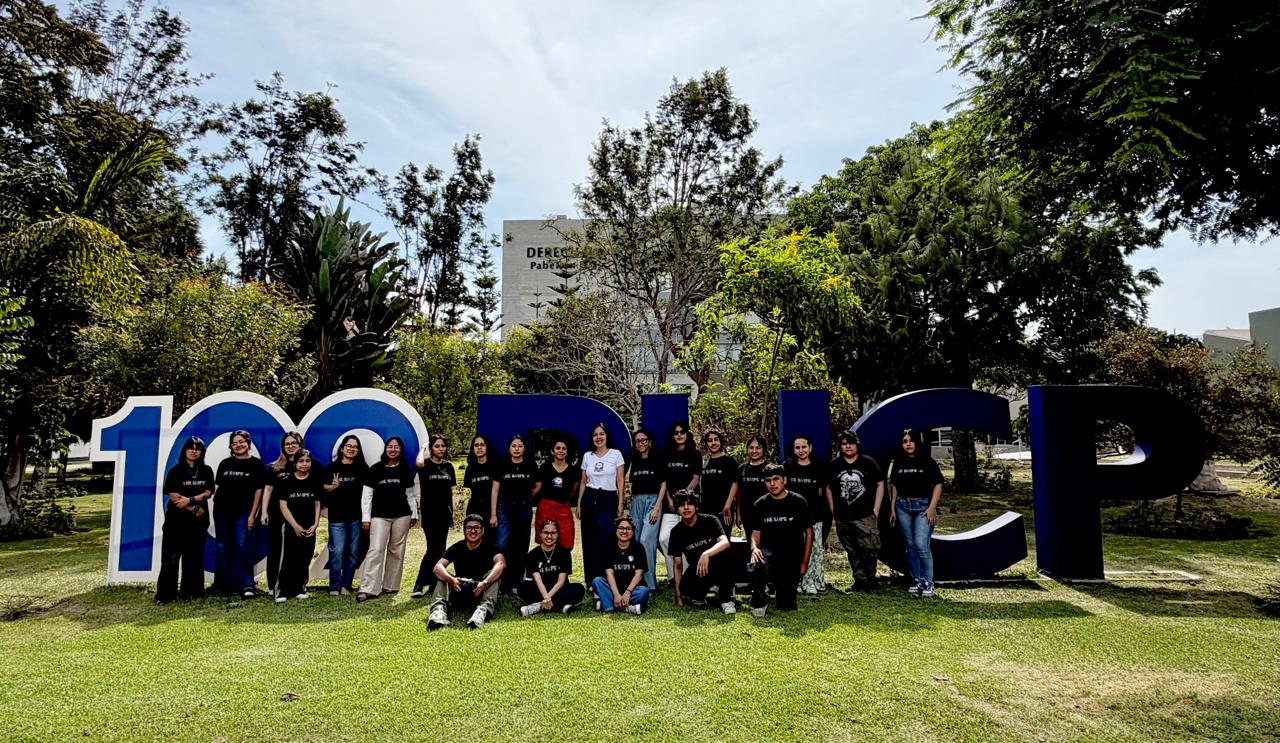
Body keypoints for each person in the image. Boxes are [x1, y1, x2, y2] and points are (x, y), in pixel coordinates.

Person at [747, 463, 814, 617]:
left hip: (791, 556)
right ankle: (759, 600)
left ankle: (782, 591)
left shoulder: (798, 501)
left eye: (776, 479)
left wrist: (804, 562)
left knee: (786, 605)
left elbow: (809, 533)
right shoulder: (760, 504)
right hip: (768, 554)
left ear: (785, 480)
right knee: (756, 564)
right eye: (768, 480)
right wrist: (754, 548)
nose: (772, 484)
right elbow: (755, 533)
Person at [357, 437, 419, 602]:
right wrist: (365, 518)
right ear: (385, 449)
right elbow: (367, 496)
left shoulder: (406, 470)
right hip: (379, 516)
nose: (393, 449)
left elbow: (410, 495)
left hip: (402, 515)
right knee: (376, 550)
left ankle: (391, 585)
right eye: (390, 446)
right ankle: (368, 588)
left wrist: (414, 514)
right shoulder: (375, 469)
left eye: (396, 447)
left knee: (397, 550)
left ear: (401, 450)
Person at [156, 436, 214, 604]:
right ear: (185, 451)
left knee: (194, 557)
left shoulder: (206, 470)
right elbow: (174, 496)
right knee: (171, 558)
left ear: (202, 452)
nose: (194, 451)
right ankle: (166, 595)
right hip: (176, 522)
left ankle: (192, 592)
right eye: (190, 448)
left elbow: (208, 492)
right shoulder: (175, 471)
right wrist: (194, 508)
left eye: (197, 449)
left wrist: (190, 500)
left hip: (198, 523)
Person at [889, 428, 945, 598]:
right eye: (904, 441)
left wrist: (932, 508)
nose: (908, 444)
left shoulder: (928, 462)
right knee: (910, 546)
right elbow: (894, 486)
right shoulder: (898, 462)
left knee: (921, 544)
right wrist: (892, 507)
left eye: (910, 440)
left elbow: (938, 485)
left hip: (923, 507)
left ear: (917, 442)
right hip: (903, 507)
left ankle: (928, 581)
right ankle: (916, 580)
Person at [829, 430, 885, 591]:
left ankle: (871, 578)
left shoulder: (867, 462)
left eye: (851, 443)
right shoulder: (835, 465)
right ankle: (859, 580)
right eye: (844, 444)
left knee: (869, 548)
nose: (848, 446)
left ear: (857, 445)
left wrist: (876, 508)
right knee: (852, 550)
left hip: (865, 515)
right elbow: (828, 487)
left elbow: (880, 483)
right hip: (843, 516)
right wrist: (833, 510)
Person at [428, 514, 506, 630]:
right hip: (459, 588)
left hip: (480, 590)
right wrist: (451, 579)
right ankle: (438, 613)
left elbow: (501, 564)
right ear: (464, 531)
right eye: (469, 528)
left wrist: (485, 583)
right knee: (442, 575)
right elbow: (438, 566)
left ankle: (482, 611)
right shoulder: (457, 547)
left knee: (494, 574)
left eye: (476, 527)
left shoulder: (491, 546)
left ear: (482, 530)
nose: (473, 531)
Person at [212, 430, 263, 599]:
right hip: (222, 511)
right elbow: (219, 487)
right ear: (231, 446)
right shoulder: (225, 463)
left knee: (243, 547)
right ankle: (223, 585)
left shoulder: (256, 464)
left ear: (248, 443)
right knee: (222, 547)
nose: (238, 445)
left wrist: (253, 514)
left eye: (241, 442)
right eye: (234, 443)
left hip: (243, 512)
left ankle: (247, 585)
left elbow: (258, 491)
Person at [669, 490, 736, 614]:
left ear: (696, 506)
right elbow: (677, 565)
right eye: (681, 505)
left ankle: (727, 599)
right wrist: (678, 597)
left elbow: (725, 542)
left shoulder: (710, 520)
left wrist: (706, 554)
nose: (686, 508)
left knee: (727, 554)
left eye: (690, 504)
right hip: (698, 570)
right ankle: (703, 592)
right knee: (685, 589)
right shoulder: (676, 532)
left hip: (717, 564)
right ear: (677, 509)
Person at [578, 422, 625, 584]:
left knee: (605, 539)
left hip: (608, 498)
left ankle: (605, 578)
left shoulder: (616, 454)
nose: (598, 437)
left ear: (607, 436)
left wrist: (620, 503)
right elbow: (583, 481)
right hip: (589, 497)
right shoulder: (587, 456)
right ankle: (591, 580)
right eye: (595, 435)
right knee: (589, 539)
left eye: (601, 434)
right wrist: (579, 503)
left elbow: (620, 480)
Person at [275, 449, 323, 602]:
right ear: (295, 463)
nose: (304, 464)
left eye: (307, 461)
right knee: (289, 558)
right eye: (301, 461)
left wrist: (315, 524)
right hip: (291, 526)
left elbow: (317, 504)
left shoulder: (315, 481)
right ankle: (282, 591)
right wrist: (295, 526)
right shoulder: (286, 481)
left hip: (309, 526)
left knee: (305, 557)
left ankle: (299, 588)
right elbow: (283, 506)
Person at [491, 434, 538, 593]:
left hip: (524, 508)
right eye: (514, 446)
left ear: (524, 449)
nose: (517, 449)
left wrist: (527, 498)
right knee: (502, 544)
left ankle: (518, 581)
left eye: (520, 446)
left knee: (521, 544)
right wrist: (493, 514)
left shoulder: (530, 464)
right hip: (504, 508)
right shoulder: (502, 464)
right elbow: (495, 490)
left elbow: (538, 485)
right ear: (509, 449)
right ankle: (502, 580)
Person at [412, 435, 456, 599]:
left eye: (443, 446)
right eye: (437, 446)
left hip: (444, 513)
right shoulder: (426, 465)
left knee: (440, 549)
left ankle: (434, 583)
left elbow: (450, 489)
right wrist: (423, 448)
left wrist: (451, 511)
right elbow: (418, 464)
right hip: (430, 513)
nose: (441, 449)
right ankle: (418, 584)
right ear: (431, 448)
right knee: (432, 549)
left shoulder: (448, 466)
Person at [787, 434, 832, 595]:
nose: (801, 450)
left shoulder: (819, 468)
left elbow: (822, 491)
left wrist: (830, 511)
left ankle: (812, 581)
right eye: (797, 447)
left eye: (804, 447)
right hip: (793, 517)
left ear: (810, 448)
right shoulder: (788, 467)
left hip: (815, 516)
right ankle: (797, 582)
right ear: (794, 450)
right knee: (796, 550)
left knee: (814, 550)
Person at [323, 434, 367, 596]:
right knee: (337, 552)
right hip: (337, 517)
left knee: (354, 552)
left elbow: (369, 492)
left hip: (356, 517)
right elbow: (322, 488)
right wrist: (332, 487)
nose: (352, 449)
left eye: (355, 447)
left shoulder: (363, 468)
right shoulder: (331, 468)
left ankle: (346, 585)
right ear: (342, 448)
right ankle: (334, 586)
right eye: (349, 446)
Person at [259, 431, 302, 594]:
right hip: (276, 513)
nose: (290, 446)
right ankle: (273, 584)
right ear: (283, 447)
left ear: (300, 445)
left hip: (297, 513)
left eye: (294, 443)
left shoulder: (304, 465)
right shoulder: (274, 467)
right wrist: (264, 512)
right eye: (287, 444)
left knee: (295, 549)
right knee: (275, 548)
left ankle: (294, 585)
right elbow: (268, 489)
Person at [657, 420, 701, 581]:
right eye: (676, 433)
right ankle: (674, 577)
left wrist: (683, 498)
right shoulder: (666, 454)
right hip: (670, 505)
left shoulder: (695, 454)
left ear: (687, 434)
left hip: (689, 504)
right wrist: (670, 499)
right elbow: (664, 481)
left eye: (682, 432)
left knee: (689, 540)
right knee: (664, 538)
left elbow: (696, 478)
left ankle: (689, 576)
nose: (679, 435)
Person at [517, 519, 586, 616]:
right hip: (540, 590)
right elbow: (537, 580)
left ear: (558, 535)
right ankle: (560, 605)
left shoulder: (564, 553)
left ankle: (538, 606)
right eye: (546, 533)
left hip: (559, 589)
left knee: (579, 589)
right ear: (540, 534)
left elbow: (561, 581)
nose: (549, 536)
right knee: (522, 586)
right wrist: (546, 597)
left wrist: (547, 598)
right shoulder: (532, 554)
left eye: (553, 533)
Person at [593, 516, 650, 614]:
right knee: (597, 581)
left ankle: (608, 605)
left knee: (644, 592)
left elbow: (639, 574)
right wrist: (616, 594)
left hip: (632, 590)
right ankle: (627, 608)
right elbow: (609, 574)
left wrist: (628, 593)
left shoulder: (639, 548)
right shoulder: (608, 548)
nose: (624, 531)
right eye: (621, 528)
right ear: (616, 530)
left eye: (628, 529)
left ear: (632, 532)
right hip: (613, 588)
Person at [629, 428, 662, 590]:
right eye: (637, 441)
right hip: (636, 502)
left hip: (653, 501)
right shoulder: (634, 460)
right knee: (635, 539)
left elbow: (663, 485)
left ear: (649, 442)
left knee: (646, 540)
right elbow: (631, 484)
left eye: (643, 440)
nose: (640, 443)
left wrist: (656, 508)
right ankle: (636, 579)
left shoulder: (657, 460)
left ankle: (650, 583)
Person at [534, 437, 579, 549]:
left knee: (567, 543)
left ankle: (563, 560)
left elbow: (573, 490)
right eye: (558, 448)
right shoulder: (545, 467)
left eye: (564, 448)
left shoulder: (573, 470)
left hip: (563, 508)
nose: (561, 450)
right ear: (552, 451)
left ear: (567, 452)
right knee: (545, 541)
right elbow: (538, 487)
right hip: (546, 508)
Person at [698, 428, 739, 534]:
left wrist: (727, 506)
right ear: (706, 443)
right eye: (710, 440)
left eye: (716, 439)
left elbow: (735, 484)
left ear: (721, 441)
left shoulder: (729, 461)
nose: (713, 443)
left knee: (723, 540)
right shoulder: (705, 462)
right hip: (706, 511)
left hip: (724, 511)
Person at [463, 435, 496, 545]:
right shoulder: (470, 468)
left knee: (490, 541)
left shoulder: (494, 466)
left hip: (491, 509)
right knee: (474, 541)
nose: (479, 447)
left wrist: (493, 514)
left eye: (482, 445)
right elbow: (467, 490)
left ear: (487, 447)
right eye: (476, 445)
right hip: (474, 508)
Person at [738, 435, 770, 534]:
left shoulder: (770, 468)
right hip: (747, 515)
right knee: (751, 542)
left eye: (758, 448)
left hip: (766, 514)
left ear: (764, 449)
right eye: (751, 448)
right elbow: (739, 494)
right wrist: (738, 514)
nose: (754, 451)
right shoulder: (741, 469)